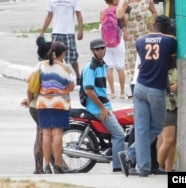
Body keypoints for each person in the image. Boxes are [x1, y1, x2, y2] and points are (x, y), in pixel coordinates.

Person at [118, 15, 177, 177]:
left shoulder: (140, 40)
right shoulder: (170, 40)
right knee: (156, 127)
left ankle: (143, 168)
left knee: (142, 128)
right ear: (166, 27)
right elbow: (167, 66)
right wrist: (170, 93)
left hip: (139, 87)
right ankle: (130, 153)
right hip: (155, 90)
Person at [27, 42, 75, 174]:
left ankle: (46, 165)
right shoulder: (65, 68)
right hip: (59, 104)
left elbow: (30, 80)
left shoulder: (41, 65)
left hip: (42, 104)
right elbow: (71, 87)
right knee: (57, 134)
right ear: (62, 53)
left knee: (46, 134)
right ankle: (58, 163)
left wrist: (30, 98)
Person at [82, 38, 125, 172]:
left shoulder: (104, 65)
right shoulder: (91, 67)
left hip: (105, 104)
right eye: (97, 49)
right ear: (92, 51)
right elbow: (88, 90)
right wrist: (102, 108)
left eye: (102, 48)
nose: (101, 51)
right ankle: (118, 167)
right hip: (96, 107)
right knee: (119, 135)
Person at [20, 36, 52, 174]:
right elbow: (30, 82)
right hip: (40, 105)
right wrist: (30, 97)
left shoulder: (40, 65)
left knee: (43, 134)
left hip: (36, 104)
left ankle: (44, 167)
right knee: (42, 135)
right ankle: (39, 168)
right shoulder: (44, 65)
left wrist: (29, 98)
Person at [40, 0, 84, 85]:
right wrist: (42, 31)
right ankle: (58, 76)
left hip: (68, 33)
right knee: (54, 56)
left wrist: (81, 30)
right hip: (56, 32)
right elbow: (49, 15)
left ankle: (78, 76)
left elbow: (78, 14)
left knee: (72, 56)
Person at [122, 0, 157, 94]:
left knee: (144, 58)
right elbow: (121, 14)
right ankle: (134, 86)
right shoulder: (128, 1)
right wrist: (125, 29)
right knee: (132, 60)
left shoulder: (147, 1)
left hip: (144, 33)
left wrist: (151, 20)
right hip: (131, 36)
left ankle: (145, 84)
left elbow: (154, 12)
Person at [101, 0, 126, 99]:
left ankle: (112, 92)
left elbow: (102, 25)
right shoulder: (119, 10)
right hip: (118, 41)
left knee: (109, 67)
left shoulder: (102, 11)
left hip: (107, 42)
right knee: (120, 66)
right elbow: (123, 23)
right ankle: (122, 93)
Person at [157, 63, 178, 172]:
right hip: (167, 107)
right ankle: (158, 168)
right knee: (168, 140)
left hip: (177, 106)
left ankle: (168, 169)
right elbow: (155, 89)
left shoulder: (176, 68)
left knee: (173, 141)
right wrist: (171, 88)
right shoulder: (160, 68)